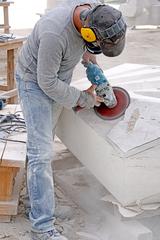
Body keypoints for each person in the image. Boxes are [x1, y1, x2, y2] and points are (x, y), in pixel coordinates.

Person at [15, 0, 127, 239]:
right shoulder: (54, 33)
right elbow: (46, 83)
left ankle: (34, 205)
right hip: (34, 82)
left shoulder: (96, 12)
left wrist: (92, 64)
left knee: (42, 142)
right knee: (41, 152)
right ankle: (42, 227)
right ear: (86, 32)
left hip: (58, 77)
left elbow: (88, 49)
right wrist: (85, 99)